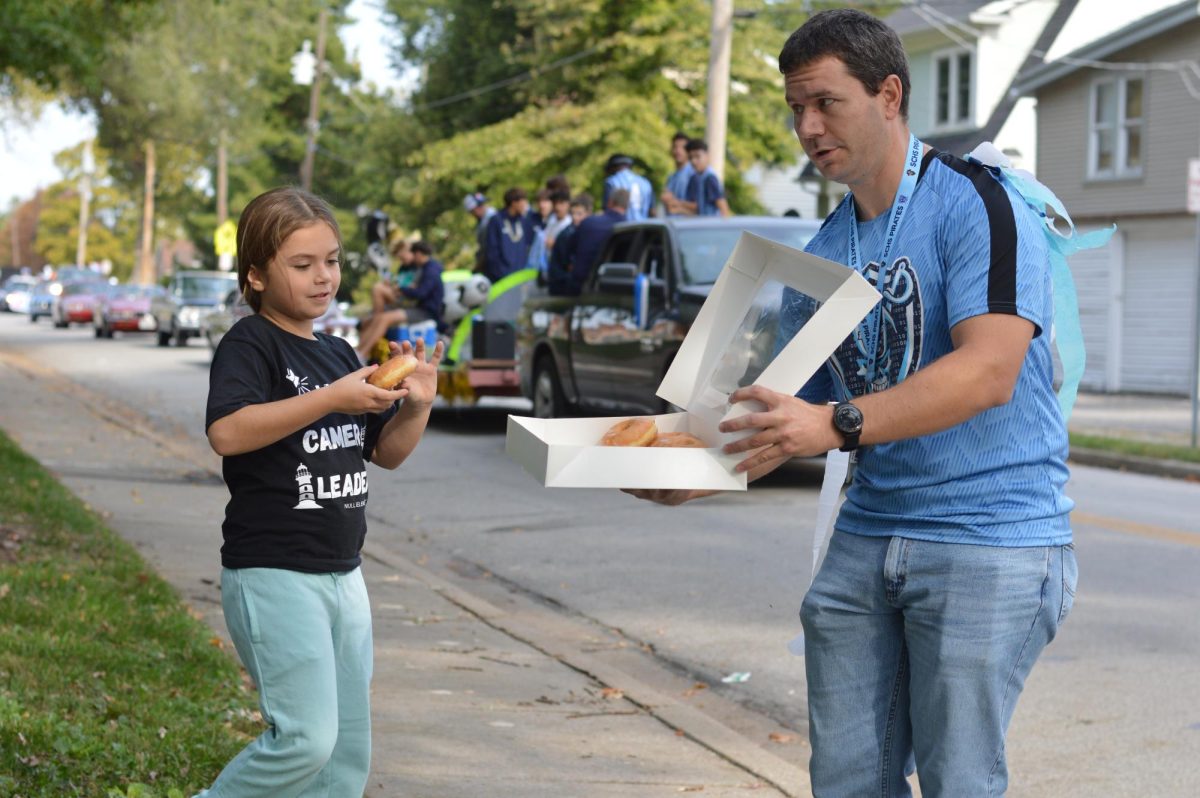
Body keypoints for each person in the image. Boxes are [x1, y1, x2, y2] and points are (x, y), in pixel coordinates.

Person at [630, 9, 1076, 797]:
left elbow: (989, 370)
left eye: (825, 102)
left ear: (890, 94)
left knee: (959, 780)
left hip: (990, 534)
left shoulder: (981, 202)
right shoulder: (822, 254)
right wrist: (673, 472)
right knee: (845, 779)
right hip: (869, 535)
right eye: (795, 107)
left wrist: (836, 423)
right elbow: (773, 420)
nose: (807, 126)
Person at [200, 187, 442, 797]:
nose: (322, 277)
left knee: (346, 754)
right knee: (305, 739)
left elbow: (385, 453)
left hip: (343, 575)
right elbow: (227, 433)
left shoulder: (338, 353)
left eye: (331, 261)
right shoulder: (250, 343)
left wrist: (419, 406)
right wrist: (332, 398)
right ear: (255, 274)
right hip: (273, 571)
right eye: (302, 265)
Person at [559, 188, 627, 296]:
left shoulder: (588, 222)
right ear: (627, 206)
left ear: (609, 202)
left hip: (579, 285)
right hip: (612, 289)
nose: (574, 217)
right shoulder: (628, 228)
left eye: (579, 213)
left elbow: (567, 253)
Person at [484, 187, 535, 283]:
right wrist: (501, 273)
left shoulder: (523, 221)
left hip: (520, 277)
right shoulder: (496, 220)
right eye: (522, 201)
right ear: (514, 203)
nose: (525, 205)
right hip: (502, 278)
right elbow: (492, 251)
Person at [546, 193, 593, 296]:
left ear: (588, 214)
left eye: (579, 214)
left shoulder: (580, 232)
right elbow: (570, 266)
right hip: (562, 287)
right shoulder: (568, 235)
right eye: (573, 213)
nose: (575, 217)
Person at [680, 139, 731, 217]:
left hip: (711, 226)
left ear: (707, 155)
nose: (693, 161)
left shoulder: (710, 178)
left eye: (697, 156)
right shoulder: (698, 177)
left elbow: (723, 209)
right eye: (690, 158)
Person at [603, 154, 653, 221]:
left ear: (613, 167)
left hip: (621, 227)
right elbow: (652, 211)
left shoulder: (612, 181)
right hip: (643, 227)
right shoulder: (645, 182)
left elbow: (608, 208)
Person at [660, 131, 695, 216]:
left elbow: (698, 207)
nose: (678, 151)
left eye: (682, 147)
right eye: (675, 147)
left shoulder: (693, 175)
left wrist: (674, 202)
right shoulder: (671, 177)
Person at [462, 192, 496, 274]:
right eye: (479, 206)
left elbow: (488, 249)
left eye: (482, 205)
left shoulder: (491, 219)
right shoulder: (483, 221)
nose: (483, 207)